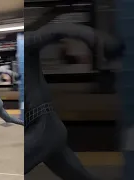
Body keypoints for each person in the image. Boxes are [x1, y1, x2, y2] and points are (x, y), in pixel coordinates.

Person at [24, 23, 124, 180]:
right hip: (46, 126)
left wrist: (96, 38)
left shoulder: (24, 43)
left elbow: (54, 30)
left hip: (40, 127)